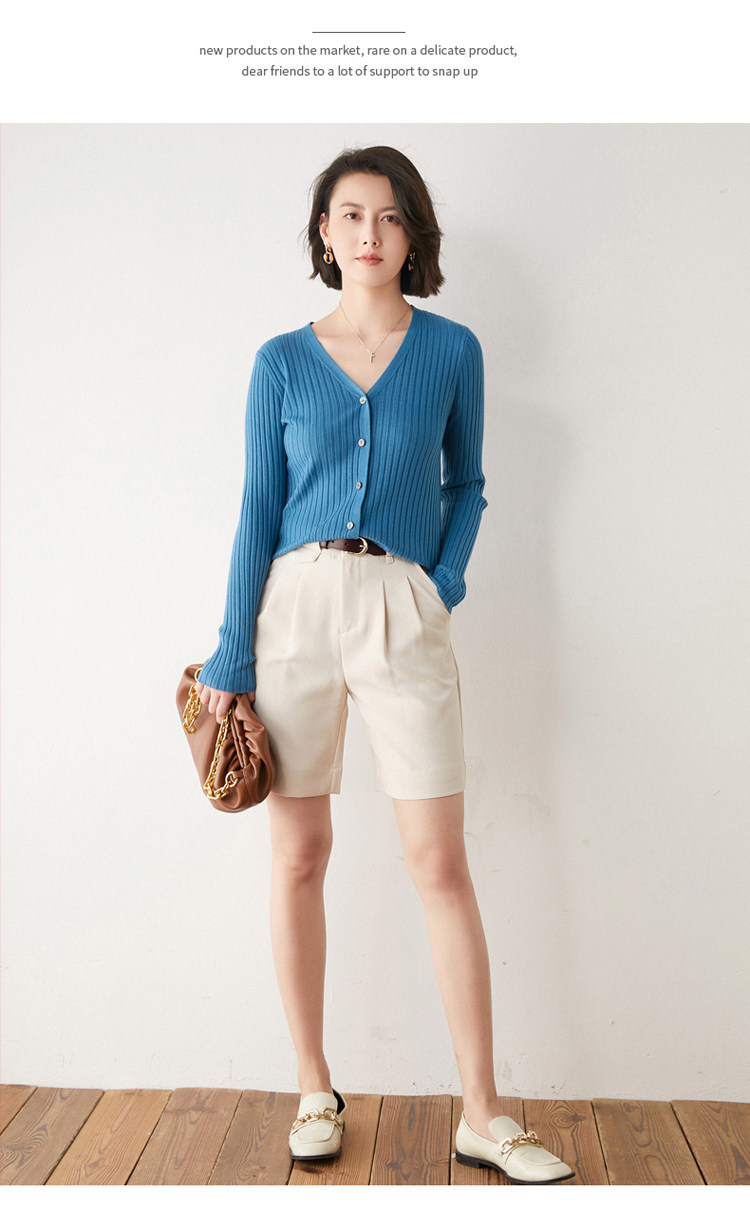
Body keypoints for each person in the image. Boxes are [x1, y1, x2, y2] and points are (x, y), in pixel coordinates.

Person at [193, 146, 574, 1185]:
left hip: (403, 606)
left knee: (438, 861)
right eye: (351, 214)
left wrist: (438, 584)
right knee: (299, 854)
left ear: (413, 235)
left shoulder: (452, 350)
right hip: (293, 610)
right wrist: (232, 646)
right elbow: (257, 508)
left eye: (390, 216)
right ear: (324, 232)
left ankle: (483, 1113)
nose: (370, 233)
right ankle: (314, 1086)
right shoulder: (281, 360)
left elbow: (468, 482)